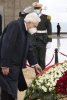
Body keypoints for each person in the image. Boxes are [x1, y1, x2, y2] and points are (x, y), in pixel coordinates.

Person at [0, 12, 42, 100]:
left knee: (11, 90)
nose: (35, 28)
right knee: (8, 91)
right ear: (29, 22)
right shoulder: (16, 25)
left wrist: (35, 64)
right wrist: (5, 65)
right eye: (35, 26)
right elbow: (7, 45)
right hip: (9, 66)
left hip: (16, 67)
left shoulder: (26, 30)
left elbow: (29, 49)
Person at [31, 2, 52, 75]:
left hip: (42, 41)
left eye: (37, 8)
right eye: (35, 8)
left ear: (41, 9)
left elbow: (49, 30)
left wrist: (49, 41)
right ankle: (37, 76)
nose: (36, 10)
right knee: (35, 60)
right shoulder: (31, 18)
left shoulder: (46, 17)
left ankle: (42, 75)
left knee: (42, 59)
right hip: (33, 41)